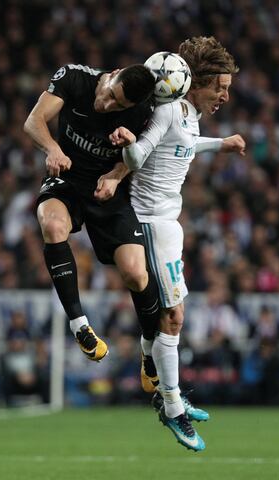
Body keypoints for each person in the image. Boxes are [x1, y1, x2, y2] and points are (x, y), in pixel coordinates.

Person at [109, 37, 246, 450]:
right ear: (197, 82)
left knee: (169, 318)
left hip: (170, 223)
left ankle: (161, 379)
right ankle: (171, 406)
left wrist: (220, 144)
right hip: (151, 223)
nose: (224, 95)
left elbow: (182, 146)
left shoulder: (189, 113)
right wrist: (127, 146)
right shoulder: (169, 109)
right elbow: (142, 155)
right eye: (219, 87)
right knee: (173, 317)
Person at [24, 63, 161, 362]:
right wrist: (52, 149)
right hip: (68, 178)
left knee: (136, 275)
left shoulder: (142, 113)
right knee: (52, 225)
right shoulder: (75, 78)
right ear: (114, 73)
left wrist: (116, 175)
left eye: (119, 105)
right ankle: (79, 325)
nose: (108, 105)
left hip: (107, 189)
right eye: (111, 95)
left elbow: (143, 155)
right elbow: (34, 121)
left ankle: (150, 351)